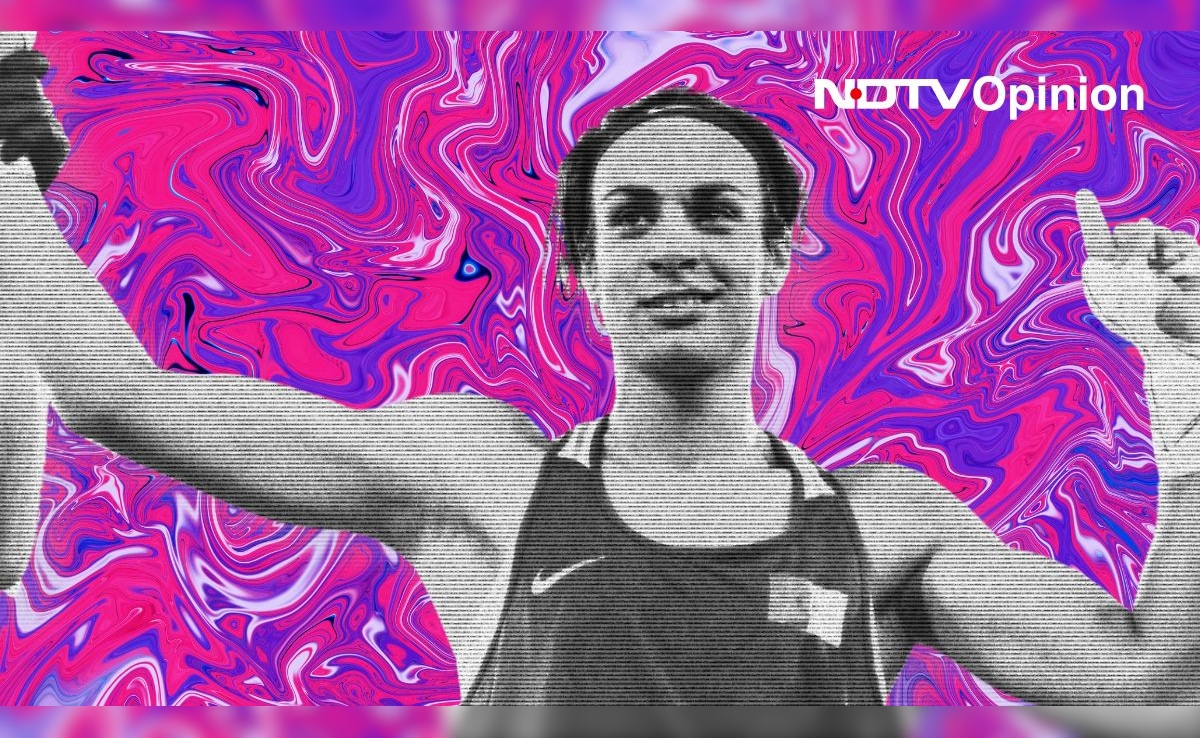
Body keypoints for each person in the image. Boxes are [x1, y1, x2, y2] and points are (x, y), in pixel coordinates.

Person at [1, 36, 1199, 705]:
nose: (673, 245)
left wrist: (1185, 380)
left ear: (776, 252)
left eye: (714, 212)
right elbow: (124, 400)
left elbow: (1151, 670)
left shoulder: (890, 528)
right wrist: (4, 177)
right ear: (581, 267)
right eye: (631, 217)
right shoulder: (482, 479)